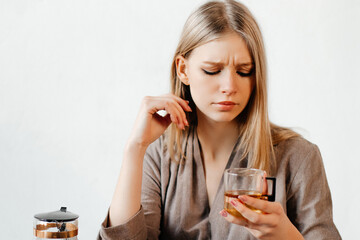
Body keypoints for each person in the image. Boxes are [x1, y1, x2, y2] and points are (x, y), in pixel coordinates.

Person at [98, 0, 341, 239]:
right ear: (183, 70)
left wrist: (287, 236)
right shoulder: (158, 155)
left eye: (244, 71)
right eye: (212, 70)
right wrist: (134, 148)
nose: (229, 86)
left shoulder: (298, 156)